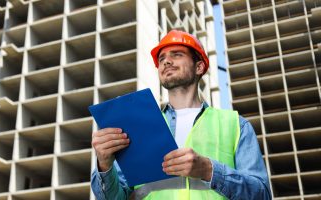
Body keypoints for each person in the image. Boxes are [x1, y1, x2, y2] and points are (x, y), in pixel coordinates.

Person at [91, 30, 271, 199]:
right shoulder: (138, 127)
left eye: (177, 54)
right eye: (161, 58)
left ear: (199, 67)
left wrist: (209, 170)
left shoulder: (235, 125)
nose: (166, 61)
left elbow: (262, 194)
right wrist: (104, 165)